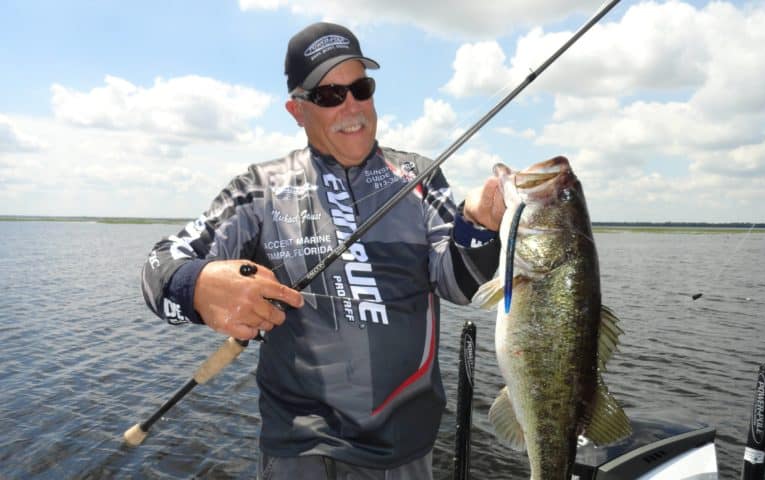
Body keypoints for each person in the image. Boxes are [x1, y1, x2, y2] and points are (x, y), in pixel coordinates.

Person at [141, 21, 506, 480]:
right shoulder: (259, 190)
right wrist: (196, 286)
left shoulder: (419, 175)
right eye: (330, 95)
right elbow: (159, 264)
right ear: (297, 109)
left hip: (406, 450)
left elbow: (461, 285)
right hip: (299, 449)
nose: (351, 106)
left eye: (360, 88)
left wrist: (477, 228)